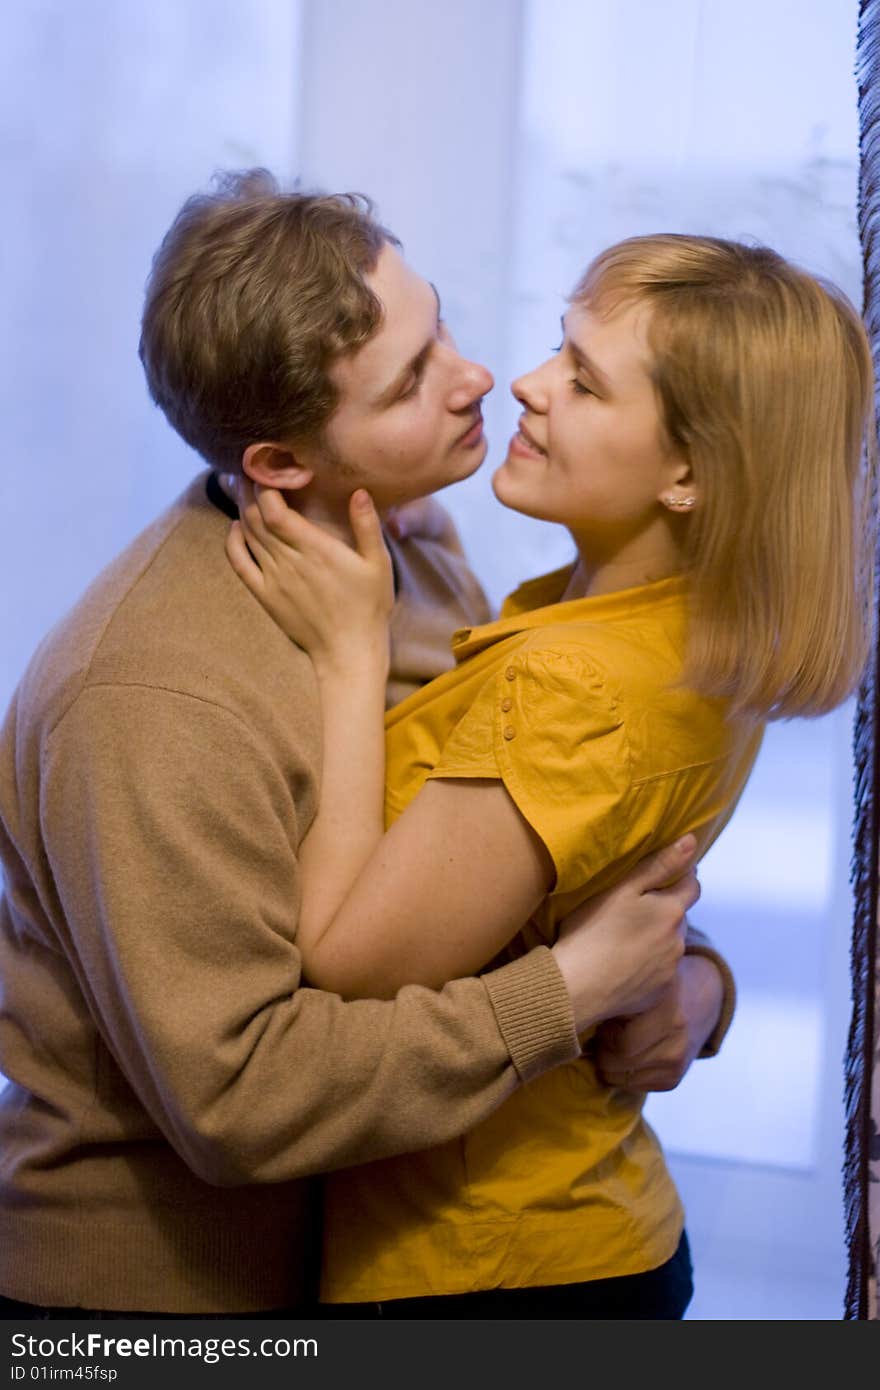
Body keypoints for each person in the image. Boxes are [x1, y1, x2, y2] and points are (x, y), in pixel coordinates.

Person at [0, 173, 726, 1319]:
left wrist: (686, 976)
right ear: (281, 464)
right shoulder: (147, 689)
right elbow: (240, 1095)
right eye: (409, 383)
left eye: (436, 327)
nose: (477, 377)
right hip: (157, 1309)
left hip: (371, 1270)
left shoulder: (416, 556)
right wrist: (570, 992)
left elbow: (502, 849)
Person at [228, 229, 875, 1318]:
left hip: (491, 1266)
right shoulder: (661, 624)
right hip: (573, 1229)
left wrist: (353, 656)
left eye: (583, 380)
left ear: (690, 475)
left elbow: (346, 971)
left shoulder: (577, 682)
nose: (525, 385)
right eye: (555, 350)